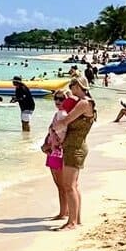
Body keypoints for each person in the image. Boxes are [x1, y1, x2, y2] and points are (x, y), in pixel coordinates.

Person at [48, 78, 96, 228]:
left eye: (72, 86)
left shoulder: (84, 103)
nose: (70, 89)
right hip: (74, 146)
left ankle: (72, 222)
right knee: (73, 185)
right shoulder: (84, 102)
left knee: (69, 186)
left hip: (75, 148)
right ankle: (76, 220)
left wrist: (54, 128)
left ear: (78, 86)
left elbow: (66, 121)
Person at [40, 91, 69, 221]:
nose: (57, 101)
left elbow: (59, 135)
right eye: (56, 99)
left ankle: (63, 212)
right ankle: (65, 210)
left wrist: (47, 146)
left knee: (61, 185)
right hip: (54, 151)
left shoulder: (61, 114)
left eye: (61, 99)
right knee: (61, 185)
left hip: (56, 152)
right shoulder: (62, 114)